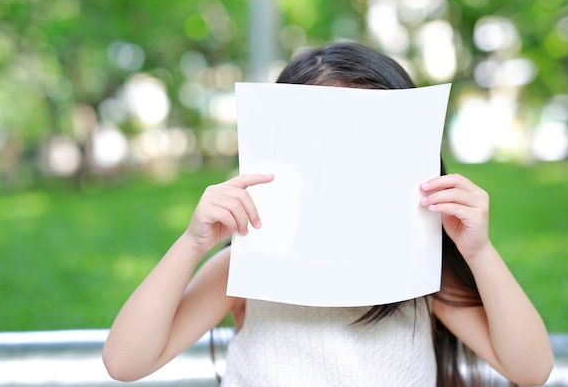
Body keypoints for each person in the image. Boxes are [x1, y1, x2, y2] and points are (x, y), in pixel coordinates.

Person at [102, 43, 553, 386]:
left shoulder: (420, 273)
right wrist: (192, 244)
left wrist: (480, 253)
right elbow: (126, 362)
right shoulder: (246, 268)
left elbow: (530, 369)